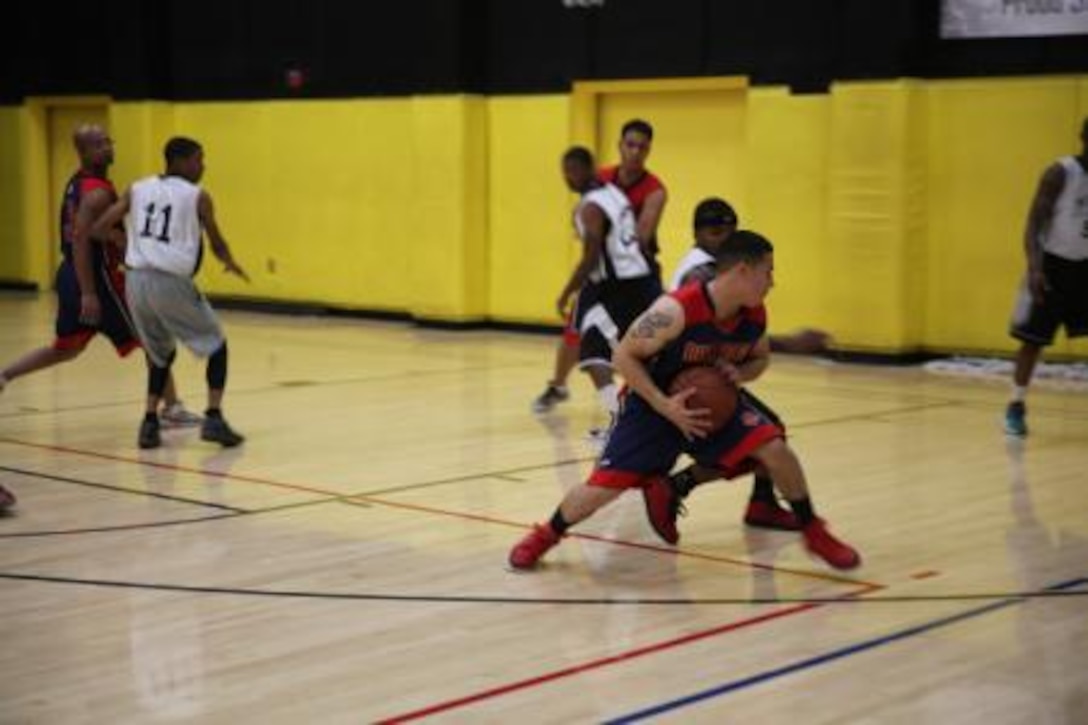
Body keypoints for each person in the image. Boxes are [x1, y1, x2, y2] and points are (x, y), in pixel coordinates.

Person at [509, 230, 861, 571]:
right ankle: (545, 536)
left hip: (707, 402)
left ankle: (813, 532)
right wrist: (664, 405)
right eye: (768, 272)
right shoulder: (675, 311)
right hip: (652, 404)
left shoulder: (753, 314)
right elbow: (624, 358)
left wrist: (742, 375)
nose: (772, 281)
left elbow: (759, 359)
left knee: (774, 448)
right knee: (602, 490)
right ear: (743, 270)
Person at [641, 198, 837, 543]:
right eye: (717, 231)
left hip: (706, 368)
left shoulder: (717, 266)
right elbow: (721, 334)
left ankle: (758, 502)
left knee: (769, 433)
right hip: (686, 379)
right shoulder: (702, 273)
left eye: (731, 230)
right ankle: (676, 486)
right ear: (698, 234)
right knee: (760, 439)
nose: (726, 238)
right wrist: (791, 343)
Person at [0, 124, 199, 426]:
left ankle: (4, 375)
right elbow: (82, 238)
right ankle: (171, 408)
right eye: (100, 144)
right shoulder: (97, 194)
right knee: (153, 338)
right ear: (84, 151)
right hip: (97, 279)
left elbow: (91, 236)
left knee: (67, 348)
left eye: (109, 141)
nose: (108, 147)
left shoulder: (77, 184)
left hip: (72, 275)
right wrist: (90, 292)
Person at [92, 136, 249, 450]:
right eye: (198, 159)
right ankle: (214, 417)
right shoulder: (197, 196)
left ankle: (149, 423)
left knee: (159, 352)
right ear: (180, 161)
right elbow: (216, 242)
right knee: (217, 345)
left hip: (136, 282)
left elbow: (98, 229)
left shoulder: (137, 188)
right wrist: (230, 261)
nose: (202, 166)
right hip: (170, 281)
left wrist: (127, 243)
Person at [531, 119, 668, 414]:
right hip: (609, 276)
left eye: (641, 147)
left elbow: (642, 235)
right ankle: (559, 385)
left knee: (633, 342)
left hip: (631, 272)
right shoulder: (603, 179)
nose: (635, 152)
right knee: (581, 332)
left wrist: (607, 235)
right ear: (620, 146)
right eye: (630, 145)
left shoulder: (654, 190)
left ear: (648, 151)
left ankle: (631, 406)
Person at [1005, 116, 1088, 437]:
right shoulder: (1060, 172)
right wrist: (1035, 267)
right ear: (1083, 137)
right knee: (1032, 342)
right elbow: (1033, 224)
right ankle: (1015, 405)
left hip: (1085, 267)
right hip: (1050, 266)